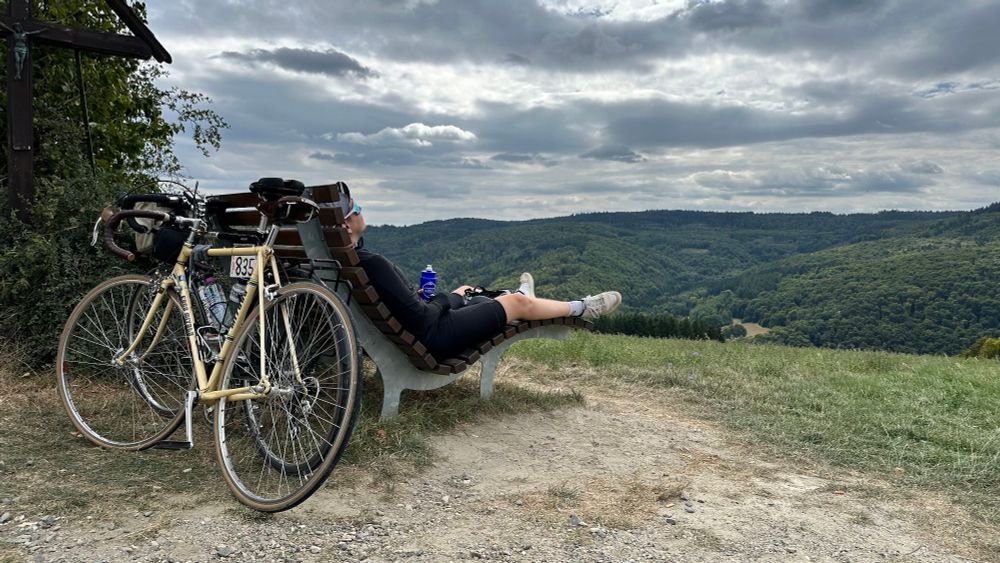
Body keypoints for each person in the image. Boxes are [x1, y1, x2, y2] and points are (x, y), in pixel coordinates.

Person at [334, 185, 622, 360]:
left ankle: (523, 298)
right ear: (348, 225)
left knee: (480, 296)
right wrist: (452, 297)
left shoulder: (347, 262)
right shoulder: (372, 263)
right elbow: (422, 318)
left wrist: (443, 297)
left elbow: (406, 307)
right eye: (356, 207)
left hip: (411, 333)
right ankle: (583, 308)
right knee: (509, 303)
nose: (361, 210)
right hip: (433, 337)